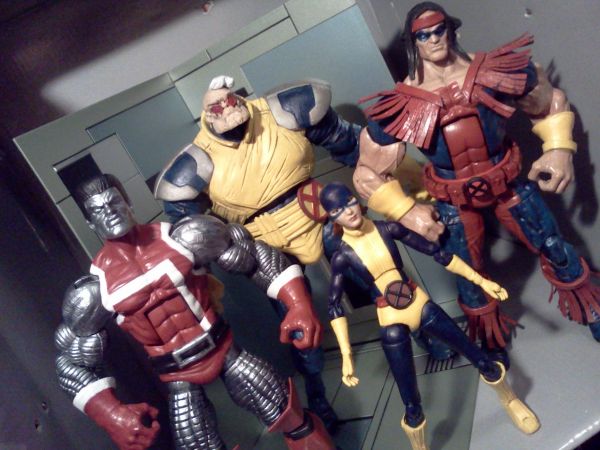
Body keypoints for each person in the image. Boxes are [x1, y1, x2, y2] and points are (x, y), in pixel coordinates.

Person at [356, 2, 600, 356]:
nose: (434, 39)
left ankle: (591, 308)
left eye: (439, 30)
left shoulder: (493, 71)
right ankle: (490, 337)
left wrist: (559, 149)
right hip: (454, 200)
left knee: (553, 245)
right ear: (413, 42)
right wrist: (407, 211)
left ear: (450, 29)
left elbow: (551, 102)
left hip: (506, 183)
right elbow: (366, 174)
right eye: (424, 35)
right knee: (468, 276)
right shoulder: (402, 105)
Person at [55, 173, 334, 450]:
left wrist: (298, 303)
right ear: (90, 222)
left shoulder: (183, 237)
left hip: (225, 349)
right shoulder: (94, 290)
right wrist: (110, 414)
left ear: (127, 201)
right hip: (177, 375)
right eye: (98, 210)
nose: (110, 212)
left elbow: (251, 255)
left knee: (293, 419)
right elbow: (71, 361)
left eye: (114, 202)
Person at [153, 75, 364, 427]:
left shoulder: (283, 111)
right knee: (300, 329)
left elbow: (346, 140)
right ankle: (317, 396)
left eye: (231, 102)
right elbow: (187, 231)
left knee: (378, 268)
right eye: (218, 108)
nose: (228, 111)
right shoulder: (196, 161)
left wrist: (378, 169)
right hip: (265, 243)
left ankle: (420, 330)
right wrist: (208, 267)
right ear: (207, 116)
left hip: (318, 210)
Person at [320, 182, 539, 450]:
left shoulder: (387, 229)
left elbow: (439, 253)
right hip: (390, 318)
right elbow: (334, 305)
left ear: (357, 200)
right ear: (332, 218)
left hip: (419, 303)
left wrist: (481, 281)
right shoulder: (341, 256)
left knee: (481, 358)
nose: (348, 211)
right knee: (411, 404)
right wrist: (346, 355)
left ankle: (510, 399)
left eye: (349, 201)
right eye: (338, 210)